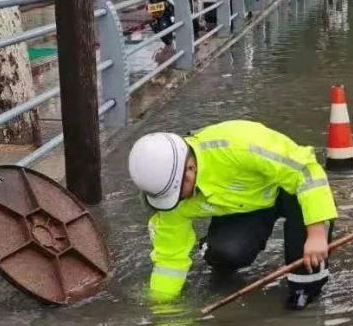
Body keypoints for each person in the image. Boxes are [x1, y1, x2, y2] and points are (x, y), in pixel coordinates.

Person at [128, 121, 337, 309]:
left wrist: (316, 232)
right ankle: (210, 248)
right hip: (245, 206)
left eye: (177, 193)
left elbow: (306, 172)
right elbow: (169, 258)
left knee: (308, 236)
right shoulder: (169, 199)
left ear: (190, 169)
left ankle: (305, 287)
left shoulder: (237, 144)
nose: (178, 201)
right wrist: (162, 304)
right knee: (227, 254)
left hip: (288, 191)